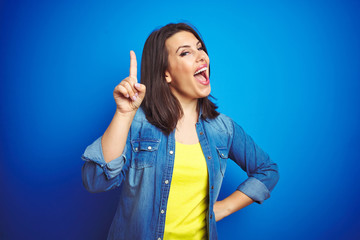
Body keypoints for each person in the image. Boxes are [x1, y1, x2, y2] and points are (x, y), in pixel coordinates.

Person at [81, 23, 279, 240]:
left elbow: (267, 170)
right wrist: (123, 114)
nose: (201, 56)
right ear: (166, 74)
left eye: (200, 48)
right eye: (186, 52)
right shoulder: (138, 124)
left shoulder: (224, 129)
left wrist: (223, 209)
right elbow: (96, 181)